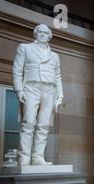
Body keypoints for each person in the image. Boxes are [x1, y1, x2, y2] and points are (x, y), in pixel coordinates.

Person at [12, 24, 63, 166]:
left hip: (49, 90)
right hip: (31, 87)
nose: (42, 34)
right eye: (39, 32)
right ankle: (24, 157)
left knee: (44, 125)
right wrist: (19, 90)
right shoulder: (25, 48)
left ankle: (37, 156)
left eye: (45, 32)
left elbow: (58, 76)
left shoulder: (55, 56)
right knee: (28, 122)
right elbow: (17, 70)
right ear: (35, 34)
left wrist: (60, 95)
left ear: (49, 36)